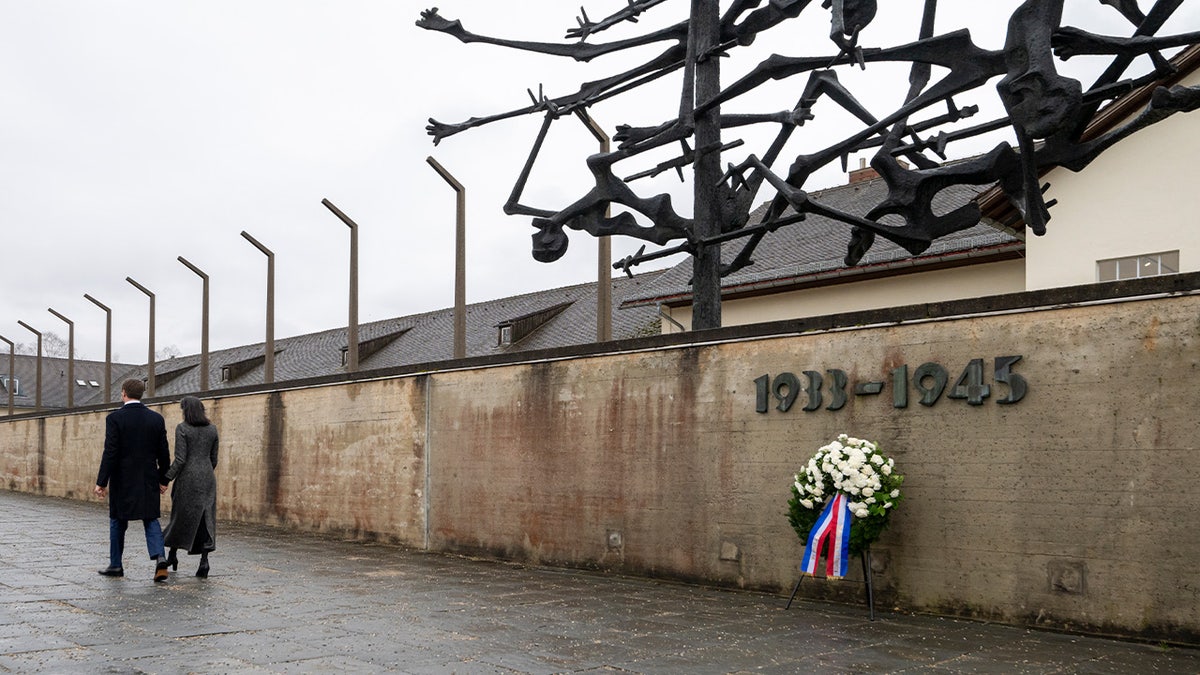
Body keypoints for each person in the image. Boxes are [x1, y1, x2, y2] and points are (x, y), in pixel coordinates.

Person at [94, 379, 171, 582]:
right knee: (151, 519)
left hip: (123, 479)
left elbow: (110, 452)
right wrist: (164, 478)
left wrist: (102, 482)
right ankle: (160, 557)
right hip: (148, 478)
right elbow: (164, 452)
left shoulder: (115, 419)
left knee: (118, 521)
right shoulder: (156, 419)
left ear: (124, 393)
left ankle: (116, 564)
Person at [162, 396, 219, 578]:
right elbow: (214, 459)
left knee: (180, 516)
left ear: (186, 411)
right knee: (206, 519)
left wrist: (166, 478)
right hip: (207, 477)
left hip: (187, 478)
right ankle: (204, 561)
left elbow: (180, 459)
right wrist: (205, 471)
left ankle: (172, 555)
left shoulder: (183, 428)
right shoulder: (212, 429)